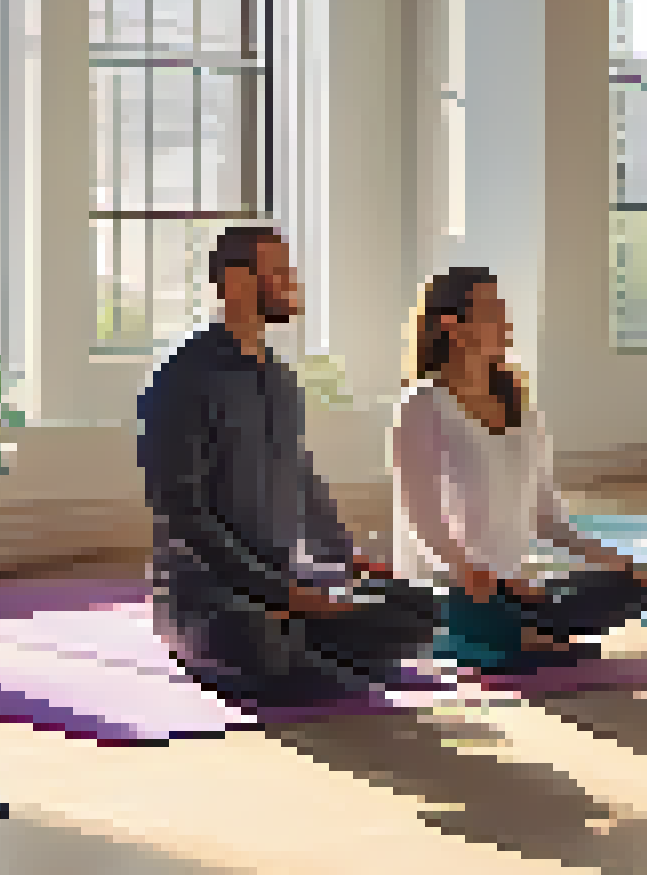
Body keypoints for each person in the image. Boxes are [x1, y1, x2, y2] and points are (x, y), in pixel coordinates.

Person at [137, 226, 442, 709]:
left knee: (417, 606)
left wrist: (347, 557)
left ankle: (315, 645)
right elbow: (183, 516)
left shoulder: (279, 377)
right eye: (278, 271)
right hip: (211, 596)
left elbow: (300, 477)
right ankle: (299, 647)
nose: (293, 282)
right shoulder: (182, 376)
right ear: (236, 282)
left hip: (288, 581)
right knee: (265, 640)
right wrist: (283, 594)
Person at [392, 268, 647, 674]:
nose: (505, 321)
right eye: (491, 311)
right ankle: (496, 636)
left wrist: (613, 558)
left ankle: (519, 636)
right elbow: (423, 524)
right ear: (451, 325)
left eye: (503, 308)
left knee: (633, 588)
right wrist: (476, 574)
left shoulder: (519, 405)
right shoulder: (422, 405)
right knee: (495, 611)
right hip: (453, 585)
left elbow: (546, 517)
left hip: (518, 588)